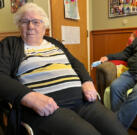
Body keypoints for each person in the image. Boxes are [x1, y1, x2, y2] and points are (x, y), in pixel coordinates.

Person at [0, 3, 128, 135]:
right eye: (24, 22)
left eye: (36, 22)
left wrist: (87, 81)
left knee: (117, 130)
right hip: (48, 107)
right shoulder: (10, 44)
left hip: (81, 100)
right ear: (18, 26)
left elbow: (76, 63)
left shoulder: (54, 43)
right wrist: (29, 96)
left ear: (44, 27)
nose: (30, 26)